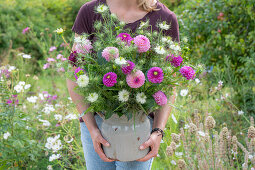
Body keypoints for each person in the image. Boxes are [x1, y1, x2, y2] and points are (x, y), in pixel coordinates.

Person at [67, 0, 179, 169]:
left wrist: (158, 131)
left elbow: (170, 84)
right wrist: (92, 130)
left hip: (138, 126)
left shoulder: (164, 18)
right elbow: (74, 74)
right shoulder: (90, 12)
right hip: (97, 123)